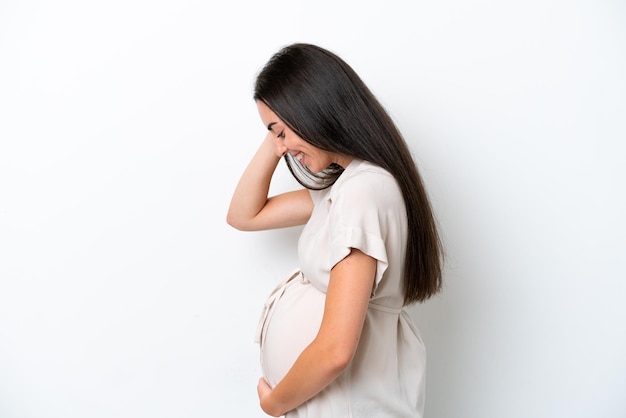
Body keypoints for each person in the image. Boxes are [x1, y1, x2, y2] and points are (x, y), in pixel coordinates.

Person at [227, 43, 443, 417]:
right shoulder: (343, 187)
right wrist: (280, 128)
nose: (281, 148)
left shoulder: (363, 191)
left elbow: (335, 350)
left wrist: (275, 404)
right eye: (272, 134)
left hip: (347, 404)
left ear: (314, 109)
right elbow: (245, 215)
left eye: (280, 131)